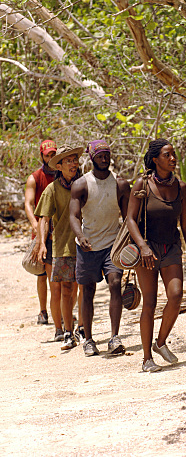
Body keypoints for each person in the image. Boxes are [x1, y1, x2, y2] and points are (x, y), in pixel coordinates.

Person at [126, 138, 186, 372]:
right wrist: (143, 247)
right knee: (149, 302)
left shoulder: (180, 187)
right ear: (155, 159)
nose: (172, 159)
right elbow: (130, 219)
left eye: (173, 155)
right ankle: (146, 358)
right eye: (167, 155)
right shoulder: (142, 184)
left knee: (176, 295)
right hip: (147, 249)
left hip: (171, 247)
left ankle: (160, 342)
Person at [70, 140, 130, 357]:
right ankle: (88, 339)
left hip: (113, 244)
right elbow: (73, 216)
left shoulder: (120, 184)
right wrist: (80, 236)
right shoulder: (81, 185)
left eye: (107, 155)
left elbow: (128, 217)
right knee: (87, 291)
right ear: (92, 158)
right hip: (87, 246)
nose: (104, 159)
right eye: (100, 156)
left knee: (115, 283)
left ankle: (114, 337)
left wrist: (131, 241)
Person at [35, 144, 84, 350]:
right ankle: (66, 332)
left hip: (85, 245)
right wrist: (41, 244)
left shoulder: (85, 184)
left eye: (75, 159)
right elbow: (44, 219)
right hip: (62, 245)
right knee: (65, 289)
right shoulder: (52, 190)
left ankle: (82, 328)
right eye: (68, 160)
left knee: (83, 287)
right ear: (60, 166)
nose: (73, 163)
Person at [24, 139, 57, 325]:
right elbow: (29, 203)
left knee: (57, 273)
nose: (51, 158)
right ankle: (43, 311)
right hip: (41, 230)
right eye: (48, 155)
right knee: (41, 273)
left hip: (59, 230)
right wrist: (35, 225)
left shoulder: (63, 175)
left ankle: (60, 311)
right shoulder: (35, 177)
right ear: (42, 156)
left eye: (53, 154)